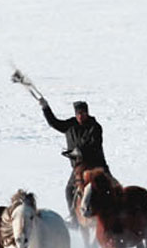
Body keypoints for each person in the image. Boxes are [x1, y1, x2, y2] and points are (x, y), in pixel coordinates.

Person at [38, 97, 110, 227]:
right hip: (79, 168)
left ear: (87, 113)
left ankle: (113, 215)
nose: (80, 116)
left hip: (97, 166)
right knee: (69, 190)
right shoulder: (70, 125)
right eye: (78, 114)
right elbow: (54, 123)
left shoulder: (95, 127)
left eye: (83, 113)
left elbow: (93, 145)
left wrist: (79, 151)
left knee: (111, 187)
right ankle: (74, 219)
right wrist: (45, 108)